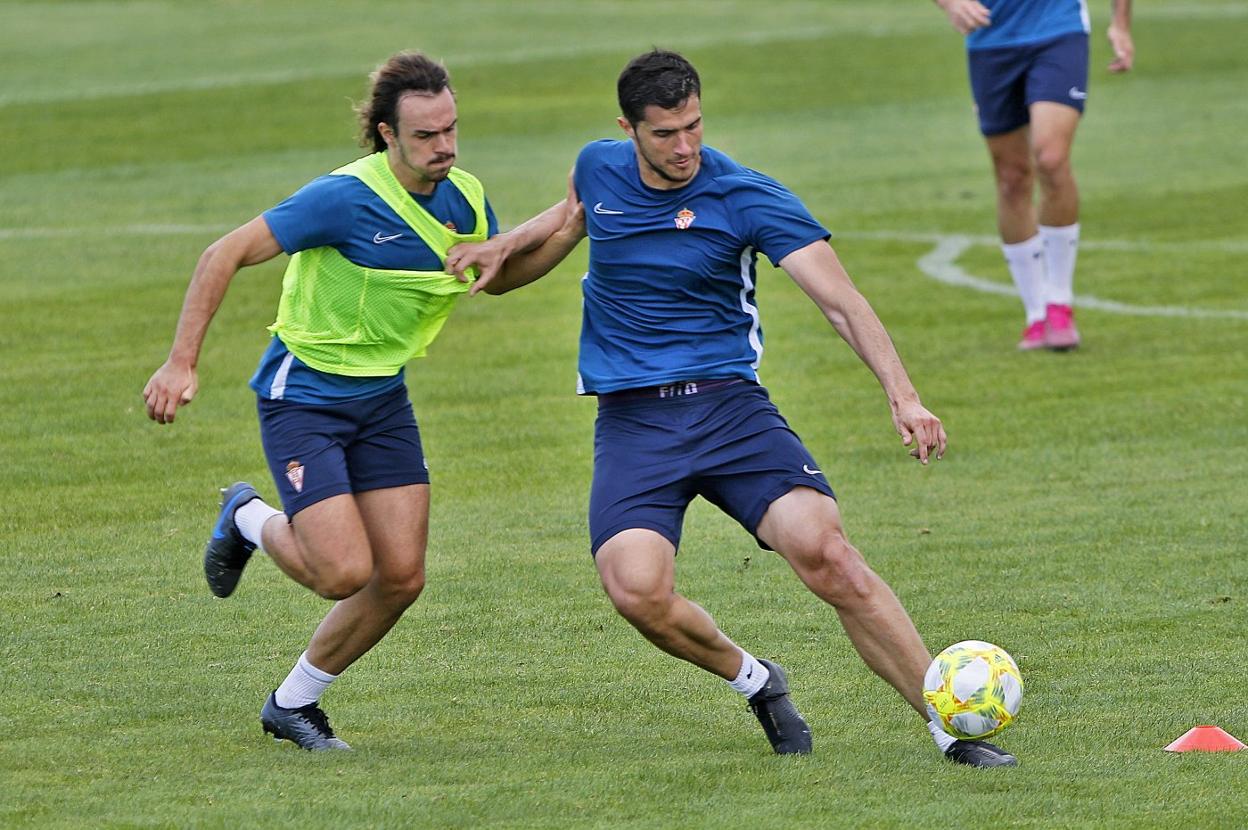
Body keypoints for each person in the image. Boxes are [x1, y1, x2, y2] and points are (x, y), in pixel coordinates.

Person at [449, 49, 1015, 767]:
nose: (684, 147)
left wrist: (903, 394)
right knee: (636, 592)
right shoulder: (596, 166)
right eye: (664, 134)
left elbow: (840, 302)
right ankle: (756, 679)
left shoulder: (745, 196)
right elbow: (570, 219)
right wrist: (503, 247)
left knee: (829, 556)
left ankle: (950, 731)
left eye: (693, 126)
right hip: (633, 423)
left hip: (728, 411)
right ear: (628, 129)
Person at [142, 51, 565, 750]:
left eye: (451, 129)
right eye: (427, 135)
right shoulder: (342, 198)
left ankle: (293, 705)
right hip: (303, 398)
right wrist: (181, 361)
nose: (445, 147)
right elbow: (222, 253)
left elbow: (497, 276)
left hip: (382, 402)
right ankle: (247, 516)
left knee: (400, 577)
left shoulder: (464, 196)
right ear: (385, 133)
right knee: (342, 573)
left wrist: (572, 224)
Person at [934, 0, 1134, 350]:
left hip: (1058, 28)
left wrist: (1120, 23)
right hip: (989, 38)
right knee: (1012, 177)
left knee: (1051, 158)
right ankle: (1035, 314)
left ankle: (1059, 303)